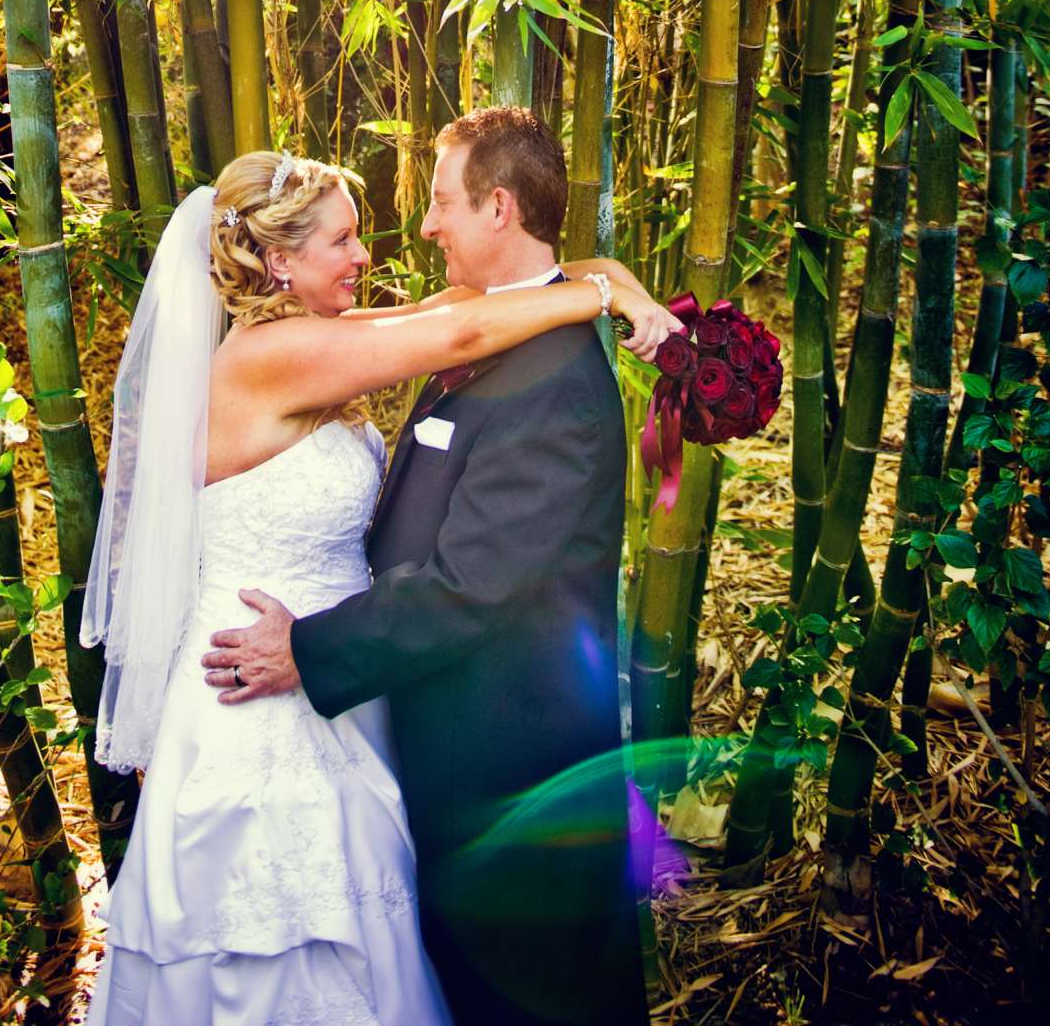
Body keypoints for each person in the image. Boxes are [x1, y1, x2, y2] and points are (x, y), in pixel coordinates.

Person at [83, 138, 681, 1025]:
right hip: (259, 678)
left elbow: (477, 298)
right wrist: (599, 296)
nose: (370, 255)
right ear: (279, 260)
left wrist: (613, 277)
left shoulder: (312, 336)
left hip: (345, 684)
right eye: (344, 241)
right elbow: (467, 327)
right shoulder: (269, 359)